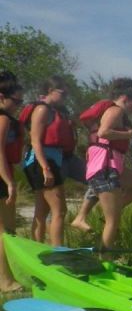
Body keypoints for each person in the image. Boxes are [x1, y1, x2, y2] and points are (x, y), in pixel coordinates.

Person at [83, 77, 132, 248]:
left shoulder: (115, 111)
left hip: (114, 165)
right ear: (124, 99)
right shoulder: (116, 110)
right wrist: (127, 135)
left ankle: (113, 207)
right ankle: (104, 258)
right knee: (113, 221)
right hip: (105, 167)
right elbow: (103, 132)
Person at [21, 76, 76, 246]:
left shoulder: (53, 111)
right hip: (43, 161)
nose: (65, 96)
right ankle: (58, 252)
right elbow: (35, 140)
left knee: (41, 211)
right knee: (60, 210)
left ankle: (37, 250)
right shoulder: (42, 110)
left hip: (47, 160)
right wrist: (46, 168)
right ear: (50, 91)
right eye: (62, 92)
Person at [0, 71, 25, 293]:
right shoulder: (3, 119)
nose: (18, 105)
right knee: (5, 231)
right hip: (1, 176)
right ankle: (5, 281)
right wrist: (9, 181)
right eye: (16, 101)